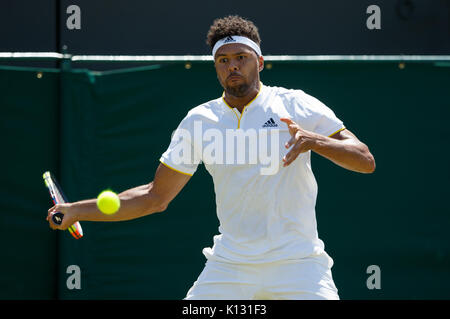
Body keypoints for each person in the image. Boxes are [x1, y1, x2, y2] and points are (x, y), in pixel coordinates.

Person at [47, 15, 375, 300]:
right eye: (223, 60)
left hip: (300, 265)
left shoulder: (296, 105)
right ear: (216, 67)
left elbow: (364, 160)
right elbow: (154, 197)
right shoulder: (199, 121)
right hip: (230, 268)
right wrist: (77, 210)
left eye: (241, 57)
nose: (233, 65)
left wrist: (314, 140)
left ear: (259, 62)